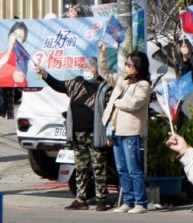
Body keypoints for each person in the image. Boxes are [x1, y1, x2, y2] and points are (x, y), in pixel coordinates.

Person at [35, 57, 112, 211]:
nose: (86, 71)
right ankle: (81, 198)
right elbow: (59, 85)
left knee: (99, 168)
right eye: (85, 68)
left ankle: (102, 199)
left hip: (96, 134)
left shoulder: (105, 88)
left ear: (97, 72)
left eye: (89, 69)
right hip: (78, 133)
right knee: (80, 167)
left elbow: (111, 110)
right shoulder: (77, 83)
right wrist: (44, 74)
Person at [98, 43, 151, 213]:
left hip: (131, 131)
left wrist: (116, 102)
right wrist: (103, 55)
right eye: (126, 64)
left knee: (133, 168)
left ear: (137, 68)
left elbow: (134, 104)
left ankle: (141, 202)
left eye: (129, 65)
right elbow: (104, 74)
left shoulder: (143, 85)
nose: (126, 67)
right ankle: (128, 201)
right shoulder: (122, 80)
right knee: (121, 169)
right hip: (116, 129)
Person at [0, 21, 30, 89]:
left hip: (8, 96)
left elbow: (24, 83)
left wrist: (22, 80)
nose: (15, 39)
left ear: (23, 42)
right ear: (9, 36)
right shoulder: (0, 55)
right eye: (14, 34)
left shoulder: (21, 60)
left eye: (19, 37)